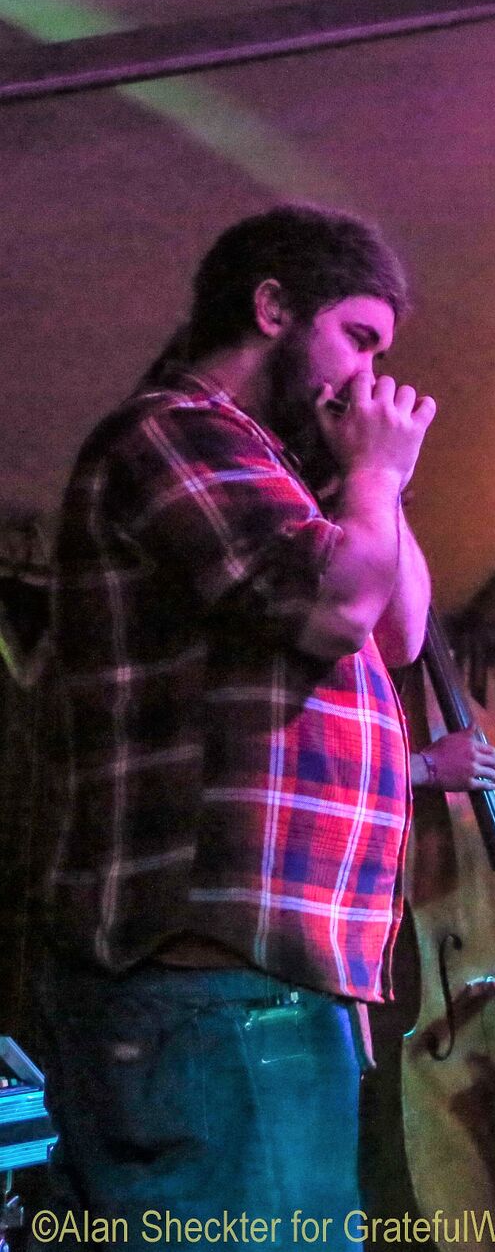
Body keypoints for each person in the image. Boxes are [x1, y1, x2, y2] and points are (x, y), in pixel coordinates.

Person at [37, 204, 433, 1249]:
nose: (366, 378)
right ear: (272, 308)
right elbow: (335, 609)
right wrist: (374, 479)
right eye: (357, 339)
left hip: (261, 972)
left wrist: (376, 480)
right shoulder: (172, 431)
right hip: (200, 972)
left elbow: (402, 631)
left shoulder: (293, 474)